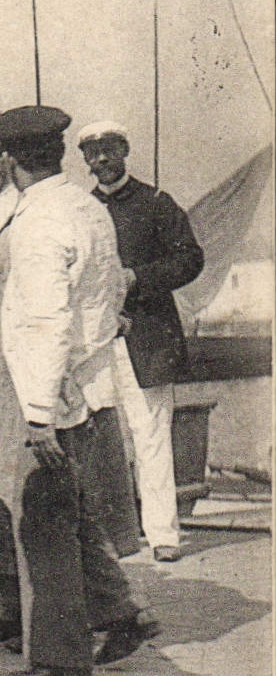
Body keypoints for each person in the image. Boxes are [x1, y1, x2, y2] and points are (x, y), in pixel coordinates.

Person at [0, 106, 151, 676]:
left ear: (9, 160)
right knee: (74, 511)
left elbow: (47, 318)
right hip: (86, 381)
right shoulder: (86, 205)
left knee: (43, 522)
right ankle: (119, 610)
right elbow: (106, 298)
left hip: (52, 390)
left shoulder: (38, 220)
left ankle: (60, 656)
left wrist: (38, 415)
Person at [81, 121, 206, 563]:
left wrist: (138, 278)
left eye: (108, 151)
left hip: (147, 339)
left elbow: (190, 259)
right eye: (91, 154)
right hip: (94, 343)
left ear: (125, 150)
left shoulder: (156, 204)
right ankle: (111, 537)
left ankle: (162, 534)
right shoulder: (79, 208)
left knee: (151, 434)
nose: (100, 161)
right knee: (96, 440)